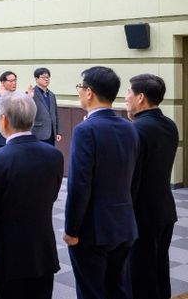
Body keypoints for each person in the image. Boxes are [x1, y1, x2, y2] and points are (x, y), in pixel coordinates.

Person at [0, 92, 64, 299]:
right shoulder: (55, 155)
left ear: (3, 120)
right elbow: (52, 196)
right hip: (42, 251)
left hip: (5, 256)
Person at [64, 66, 140, 299]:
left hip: (93, 230)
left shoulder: (85, 130)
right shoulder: (130, 127)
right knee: (119, 289)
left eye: (80, 87)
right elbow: (133, 178)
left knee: (92, 292)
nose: (79, 92)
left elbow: (79, 185)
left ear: (89, 92)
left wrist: (71, 229)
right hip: (124, 224)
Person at [125, 74, 179, 299]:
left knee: (140, 277)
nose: (126, 97)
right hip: (165, 209)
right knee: (159, 270)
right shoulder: (170, 125)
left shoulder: (135, 129)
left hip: (142, 214)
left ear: (141, 98)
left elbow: (132, 178)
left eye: (129, 92)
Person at [29, 68, 61, 145]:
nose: (46, 79)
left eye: (48, 77)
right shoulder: (31, 94)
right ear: (36, 79)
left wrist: (58, 132)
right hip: (37, 133)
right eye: (43, 77)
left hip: (51, 134)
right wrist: (29, 98)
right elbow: (27, 113)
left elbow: (55, 114)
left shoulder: (51, 95)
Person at [0, 71, 17, 149]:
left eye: (15, 80)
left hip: (16, 135)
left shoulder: (18, 97)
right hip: (2, 138)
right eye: (11, 81)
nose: (14, 83)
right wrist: (3, 98)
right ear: (3, 83)